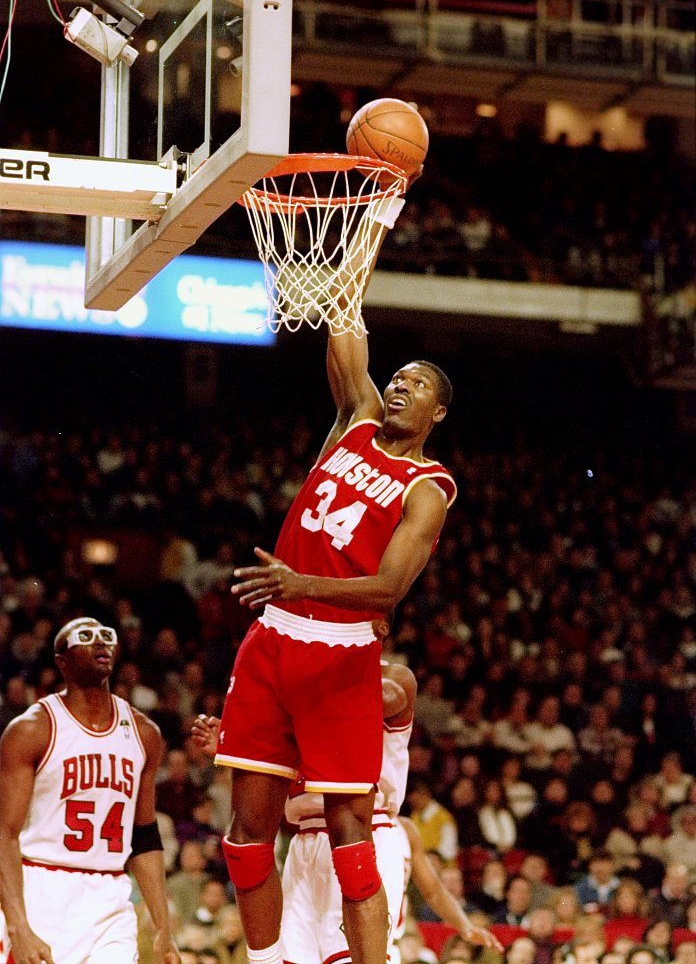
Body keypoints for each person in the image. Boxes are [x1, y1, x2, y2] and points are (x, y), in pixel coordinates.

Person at [214, 197, 457, 964]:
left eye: (417, 385)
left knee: (352, 832)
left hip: (342, 649)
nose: (400, 387)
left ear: (438, 413)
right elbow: (345, 311)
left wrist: (300, 583)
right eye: (399, 377)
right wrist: (378, 211)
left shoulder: (429, 487)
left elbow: (387, 591)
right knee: (245, 834)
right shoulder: (355, 418)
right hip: (274, 637)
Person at [192, 661, 501, 964]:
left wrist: (260, 725)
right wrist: (237, 745)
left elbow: (382, 699)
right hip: (305, 838)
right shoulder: (298, 689)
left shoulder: (392, 677)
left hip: (362, 830)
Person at [0, 616, 180, 964]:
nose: (99, 641)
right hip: (42, 888)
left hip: (110, 893)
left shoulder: (144, 733)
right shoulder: (32, 730)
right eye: (85, 636)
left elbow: (144, 835)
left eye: (105, 635)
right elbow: (4, 833)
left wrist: (163, 927)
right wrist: (18, 924)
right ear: (62, 661)